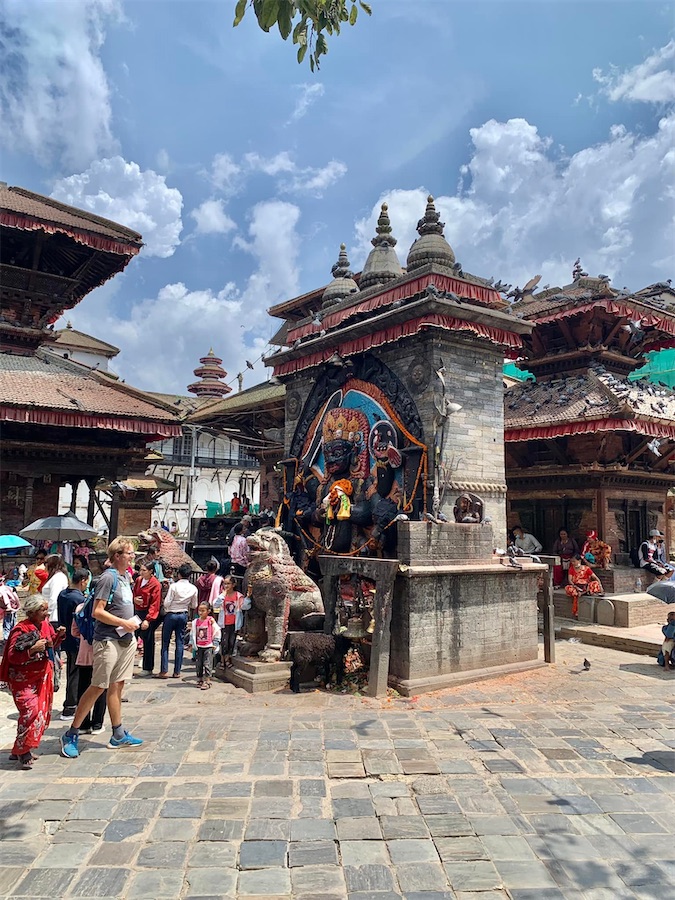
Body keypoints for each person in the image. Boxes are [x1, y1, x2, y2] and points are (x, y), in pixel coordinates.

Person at [60, 538, 142, 759]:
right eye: (129, 553)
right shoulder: (108, 578)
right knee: (98, 686)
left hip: (126, 638)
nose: (132, 556)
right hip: (108, 639)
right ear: (117, 555)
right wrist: (124, 623)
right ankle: (72, 733)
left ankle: (118, 732)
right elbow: (98, 611)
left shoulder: (126, 578)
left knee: (117, 686)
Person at [0, 595, 65, 769]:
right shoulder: (20, 630)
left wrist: (59, 636)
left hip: (41, 676)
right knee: (30, 711)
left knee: (39, 712)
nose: (46, 613)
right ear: (32, 612)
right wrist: (32, 650)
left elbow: (51, 644)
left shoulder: (45, 625)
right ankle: (24, 752)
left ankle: (19, 748)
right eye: (43, 610)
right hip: (22, 679)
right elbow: (12, 656)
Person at [71, 597, 107, 735]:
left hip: (84, 655)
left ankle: (83, 724)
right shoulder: (105, 609)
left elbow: (74, 631)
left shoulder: (81, 607)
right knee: (101, 688)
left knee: (83, 689)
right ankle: (97, 724)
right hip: (101, 653)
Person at [57, 569, 90, 720]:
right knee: (76, 674)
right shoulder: (79, 599)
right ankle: (71, 706)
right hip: (76, 639)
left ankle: (70, 704)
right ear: (83, 580)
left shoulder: (63, 595)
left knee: (71, 671)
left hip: (66, 639)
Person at [157, 563, 198, 679]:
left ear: (179, 574)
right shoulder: (193, 588)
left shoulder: (174, 586)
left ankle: (164, 670)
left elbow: (167, 602)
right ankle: (177, 671)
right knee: (179, 642)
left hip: (171, 615)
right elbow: (194, 604)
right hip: (183, 614)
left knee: (165, 643)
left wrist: (168, 608)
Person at [132, 562, 162, 675]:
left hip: (147, 613)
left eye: (144, 570)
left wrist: (148, 619)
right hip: (137, 611)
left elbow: (155, 603)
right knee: (132, 636)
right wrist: (134, 599)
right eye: (141, 570)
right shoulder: (139, 580)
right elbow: (133, 592)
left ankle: (148, 667)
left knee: (148, 640)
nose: (141, 573)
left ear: (150, 571)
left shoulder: (155, 584)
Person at [217, 575, 250, 668]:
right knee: (224, 642)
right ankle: (223, 660)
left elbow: (245, 606)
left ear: (233, 584)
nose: (226, 586)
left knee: (231, 642)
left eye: (228, 583)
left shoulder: (238, 596)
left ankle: (227, 659)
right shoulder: (222, 595)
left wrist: (247, 598)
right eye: (224, 584)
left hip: (234, 623)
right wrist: (222, 596)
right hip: (224, 623)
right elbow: (215, 604)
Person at [191, 602, 221, 689]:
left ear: (208, 611)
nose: (200, 612)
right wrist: (192, 644)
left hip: (208, 646)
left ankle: (207, 681)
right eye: (199, 610)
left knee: (207, 663)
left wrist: (215, 643)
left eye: (203, 610)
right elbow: (193, 633)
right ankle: (200, 679)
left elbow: (217, 631)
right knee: (199, 664)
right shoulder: (195, 622)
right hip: (199, 646)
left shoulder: (210, 621)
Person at [42, 554, 69, 626]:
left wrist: (48, 613)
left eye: (45, 563)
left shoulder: (58, 578)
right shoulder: (55, 577)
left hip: (54, 617)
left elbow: (54, 598)